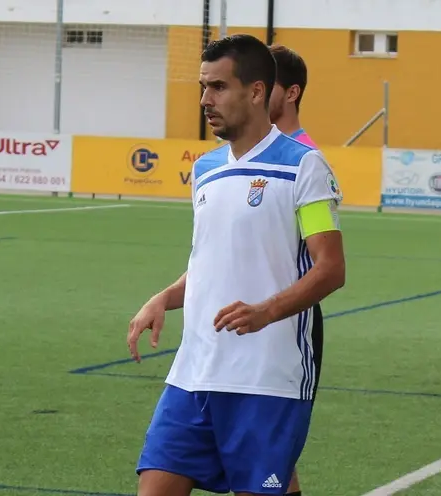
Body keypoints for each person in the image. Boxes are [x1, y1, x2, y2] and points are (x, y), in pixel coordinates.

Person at [127, 33, 346, 496]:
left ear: (256, 91)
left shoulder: (304, 167)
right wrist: (164, 299)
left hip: (266, 379)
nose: (206, 100)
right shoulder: (206, 169)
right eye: (203, 87)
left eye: (219, 87)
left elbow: (330, 269)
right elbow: (208, 262)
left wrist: (265, 311)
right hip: (194, 372)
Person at [268, 42, 317, 496]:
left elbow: (323, 260)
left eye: (266, 84)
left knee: (275, 455)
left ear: (292, 93)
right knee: (274, 459)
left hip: (287, 321)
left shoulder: (304, 159)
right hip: (248, 316)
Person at [269, 44, 317, 148]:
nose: (256, 95)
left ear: (292, 94)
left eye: (267, 86)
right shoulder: (243, 151)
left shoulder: (307, 158)